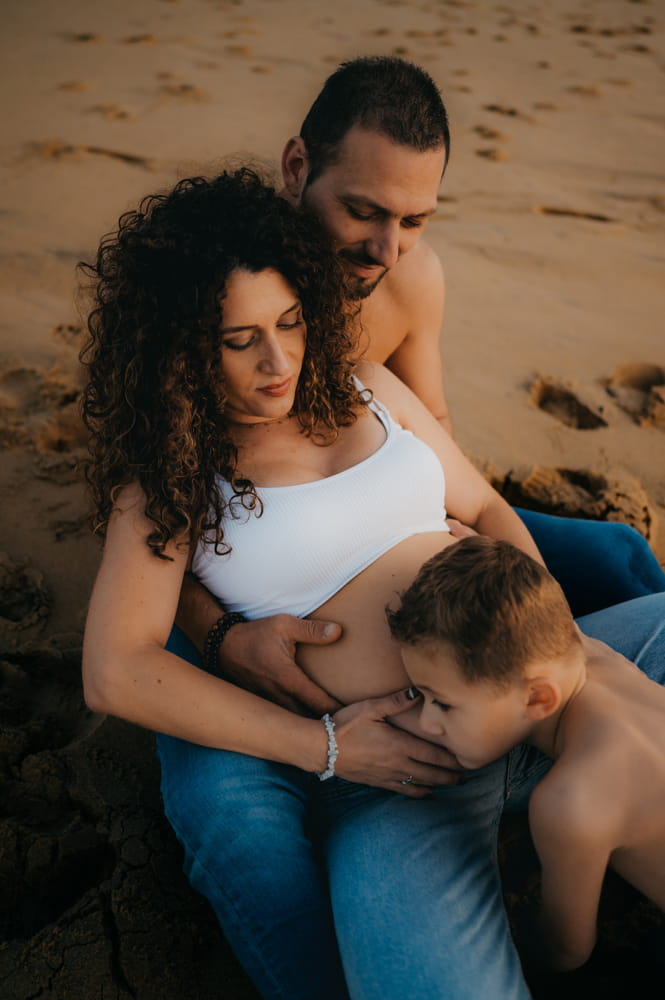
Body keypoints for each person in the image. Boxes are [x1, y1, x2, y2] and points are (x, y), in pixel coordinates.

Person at [79, 166, 665, 1000]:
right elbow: (118, 670)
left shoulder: (368, 387)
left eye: (289, 321)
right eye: (236, 339)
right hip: (404, 771)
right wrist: (327, 750)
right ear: (176, 346)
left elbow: (488, 508)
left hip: (555, 691)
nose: (277, 361)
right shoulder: (171, 481)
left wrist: (557, 646)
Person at [173, 54, 665, 724]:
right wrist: (219, 635)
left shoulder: (410, 277)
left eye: (413, 219)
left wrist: (450, 532)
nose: (387, 249)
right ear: (296, 168)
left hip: (396, 505)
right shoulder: (230, 288)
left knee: (621, 555)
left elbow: (429, 415)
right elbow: (145, 512)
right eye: (362, 211)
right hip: (270, 560)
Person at [388, 535, 665, 972]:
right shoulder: (601, 659)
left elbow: (567, 951)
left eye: (442, 703)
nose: (427, 723)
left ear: (538, 699)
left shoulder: (570, 802)